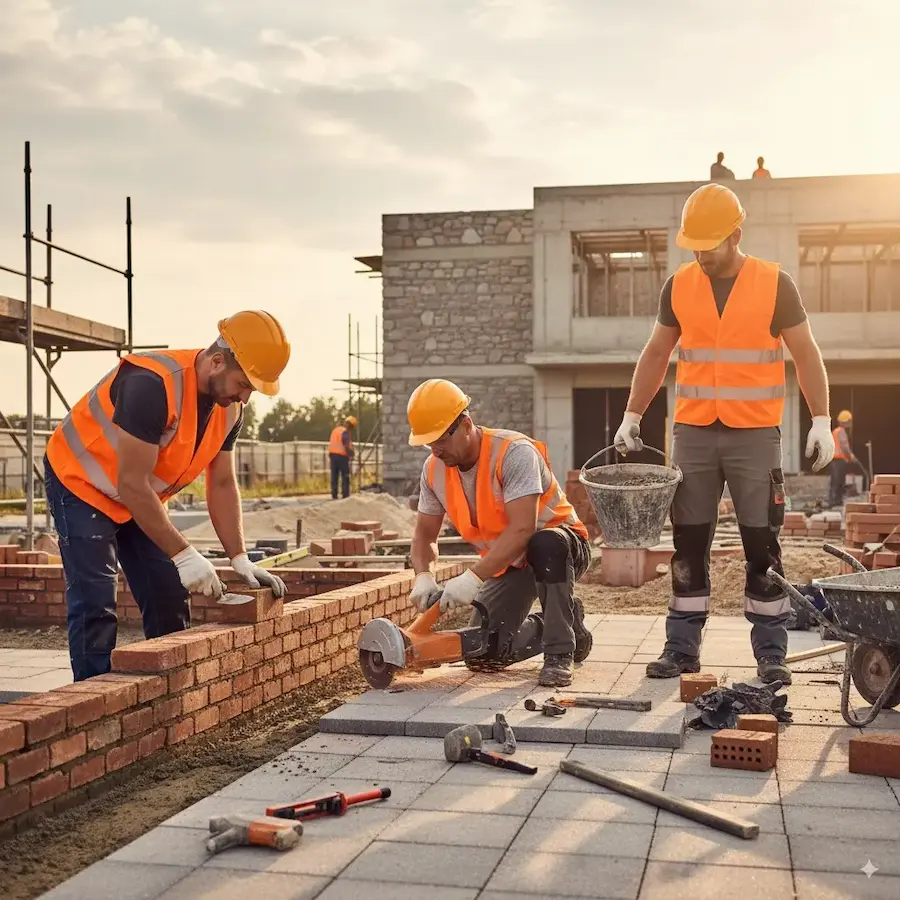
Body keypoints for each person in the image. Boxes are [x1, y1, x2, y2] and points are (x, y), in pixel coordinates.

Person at [614, 183, 834, 686]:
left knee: (763, 545)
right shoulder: (679, 285)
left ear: (735, 235)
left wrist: (821, 418)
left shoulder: (775, 284)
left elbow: (806, 352)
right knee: (688, 545)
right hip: (692, 431)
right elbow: (656, 353)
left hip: (755, 434)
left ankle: (771, 655)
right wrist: (632, 414)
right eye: (694, 243)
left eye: (709, 243)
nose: (700, 253)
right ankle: (682, 648)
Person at [44, 310, 291, 681]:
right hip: (82, 484)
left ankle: (167, 693)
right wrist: (185, 554)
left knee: (168, 593)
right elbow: (130, 483)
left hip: (138, 496)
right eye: (243, 383)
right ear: (217, 361)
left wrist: (239, 558)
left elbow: (222, 482)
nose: (245, 395)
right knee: (96, 601)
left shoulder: (231, 407)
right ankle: (91, 703)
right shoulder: (151, 384)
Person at [405, 379, 593, 687]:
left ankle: (559, 653)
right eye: (428, 442)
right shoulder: (433, 470)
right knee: (482, 653)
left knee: (545, 543)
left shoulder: (512, 452)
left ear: (465, 425)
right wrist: (423, 575)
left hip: (561, 549)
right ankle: (562, 622)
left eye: (440, 438)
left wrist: (473, 577)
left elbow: (523, 529)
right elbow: (425, 535)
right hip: (508, 563)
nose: (436, 449)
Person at [829, 410, 857, 507]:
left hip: (834, 460)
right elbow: (844, 446)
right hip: (839, 460)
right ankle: (836, 502)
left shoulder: (835, 431)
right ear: (846, 421)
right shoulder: (841, 432)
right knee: (839, 482)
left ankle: (833, 501)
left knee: (834, 482)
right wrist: (851, 456)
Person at [328, 415, 356, 499]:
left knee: (334, 476)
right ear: (350, 426)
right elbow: (346, 444)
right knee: (345, 476)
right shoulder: (345, 432)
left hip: (332, 455)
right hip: (342, 456)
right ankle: (345, 495)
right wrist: (351, 454)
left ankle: (334, 495)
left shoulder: (336, 430)